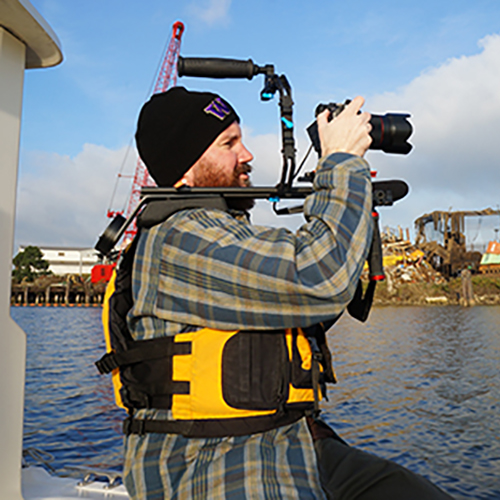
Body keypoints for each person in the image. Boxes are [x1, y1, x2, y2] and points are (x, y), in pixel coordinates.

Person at [103, 87, 452, 499]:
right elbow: (320, 277)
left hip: (290, 444)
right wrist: (340, 163)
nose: (247, 154)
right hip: (219, 467)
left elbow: (309, 306)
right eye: (229, 143)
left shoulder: (223, 235)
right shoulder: (183, 239)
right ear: (185, 170)